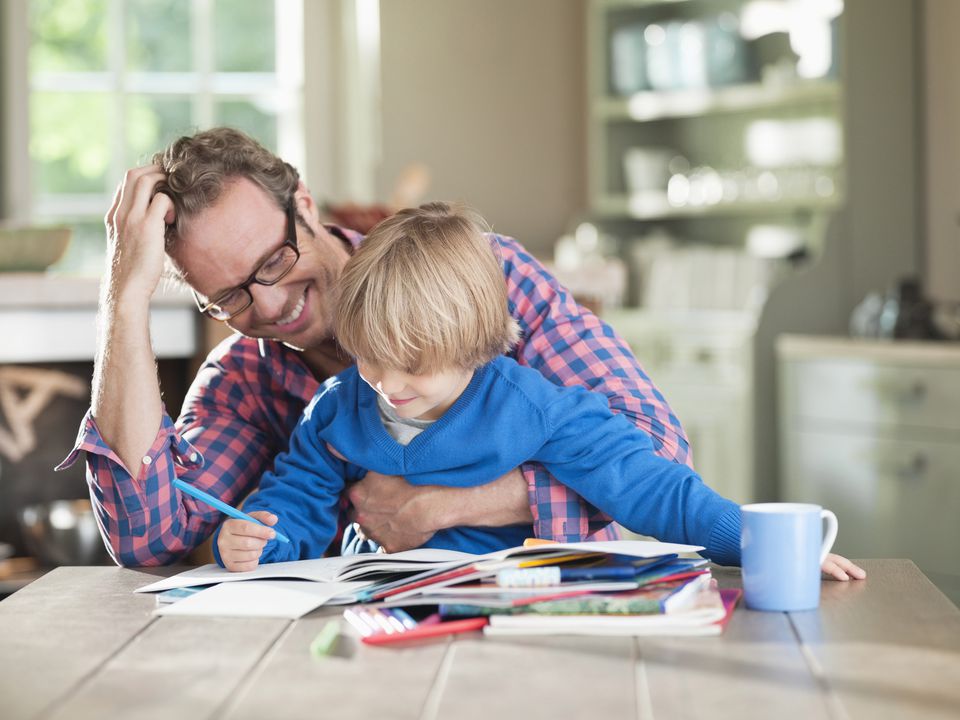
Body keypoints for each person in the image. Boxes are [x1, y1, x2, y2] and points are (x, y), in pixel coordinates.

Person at [58, 127, 860, 581]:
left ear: (304, 205)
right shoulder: (315, 402)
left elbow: (651, 467)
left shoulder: (479, 290)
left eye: (270, 265)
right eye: (227, 297)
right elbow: (154, 535)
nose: (265, 306)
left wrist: (452, 504)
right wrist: (124, 294)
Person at [215, 203, 864, 584]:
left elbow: (653, 487)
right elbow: (295, 495)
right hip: (376, 606)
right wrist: (260, 539)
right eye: (370, 360)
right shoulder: (337, 405)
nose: (385, 384)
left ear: (472, 340)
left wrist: (759, 541)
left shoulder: (534, 406)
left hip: (513, 605)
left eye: (410, 363)